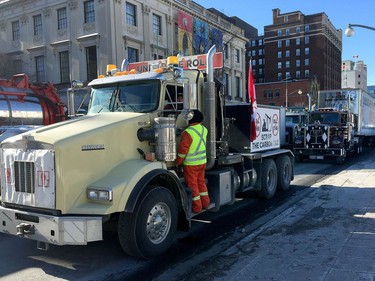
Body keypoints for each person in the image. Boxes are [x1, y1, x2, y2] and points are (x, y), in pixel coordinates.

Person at [176, 109, 210, 213]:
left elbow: (183, 150)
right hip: (202, 162)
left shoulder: (188, 132)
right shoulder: (204, 129)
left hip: (191, 164)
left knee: (192, 185)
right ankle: (206, 203)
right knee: (201, 183)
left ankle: (197, 207)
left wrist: (178, 162)